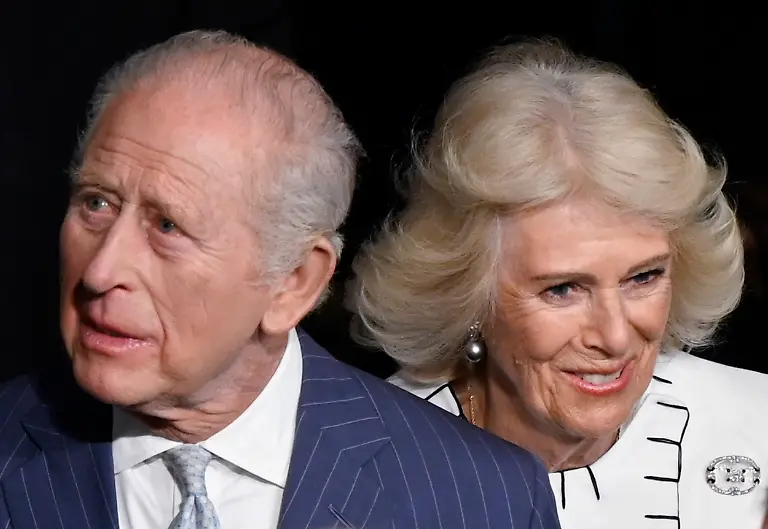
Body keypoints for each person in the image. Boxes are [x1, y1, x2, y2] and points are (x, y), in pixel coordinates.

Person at [0, 31, 560, 529]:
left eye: (167, 226)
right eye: (96, 203)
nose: (101, 271)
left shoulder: (482, 499)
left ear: (294, 279)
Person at [348, 39, 768, 529]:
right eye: (563, 289)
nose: (613, 336)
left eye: (644, 276)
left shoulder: (755, 420)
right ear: (467, 293)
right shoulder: (369, 469)